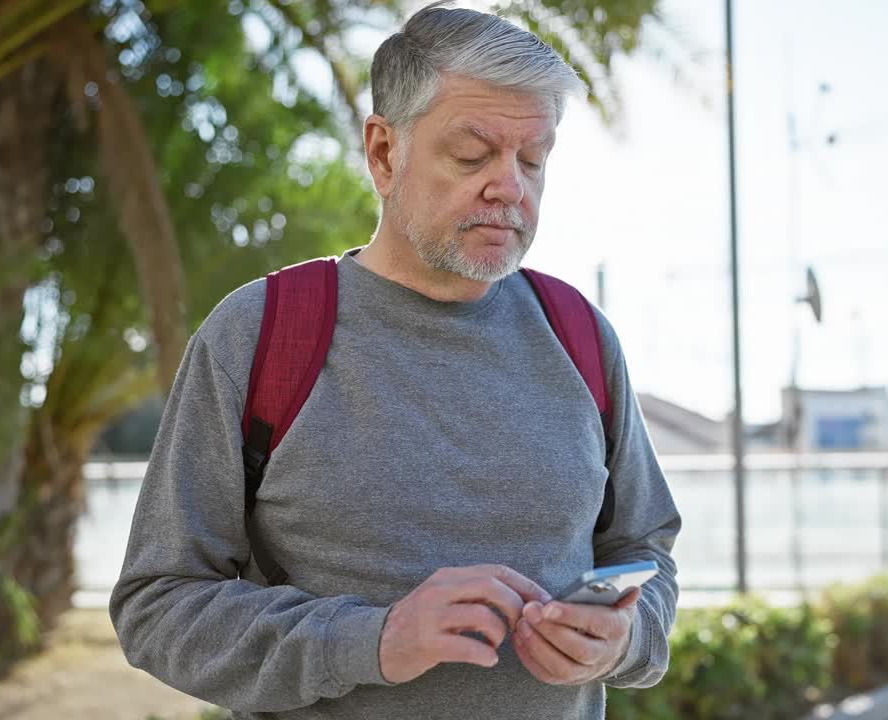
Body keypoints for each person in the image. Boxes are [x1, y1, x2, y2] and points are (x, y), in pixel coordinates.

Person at [110, 3, 681, 718]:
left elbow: (643, 548)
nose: (510, 186)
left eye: (533, 159)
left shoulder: (581, 337)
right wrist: (372, 640)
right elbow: (157, 604)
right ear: (383, 152)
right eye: (472, 154)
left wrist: (625, 638)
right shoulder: (260, 337)